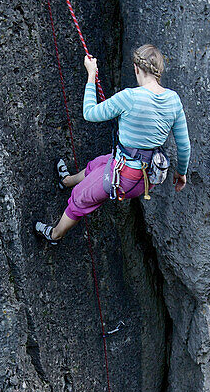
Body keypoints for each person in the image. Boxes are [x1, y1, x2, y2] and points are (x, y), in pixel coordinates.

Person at [34, 44, 190, 244]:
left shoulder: (130, 97)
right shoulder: (173, 100)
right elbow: (184, 146)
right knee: (98, 164)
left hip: (123, 177)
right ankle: (66, 181)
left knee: (80, 197)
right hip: (146, 179)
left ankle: (55, 235)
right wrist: (181, 173)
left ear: (136, 68)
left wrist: (91, 74)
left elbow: (89, 113)